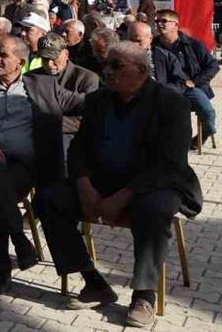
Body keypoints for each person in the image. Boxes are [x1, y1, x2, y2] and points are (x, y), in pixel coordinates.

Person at [33, 42, 202, 328]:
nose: (107, 71)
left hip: (154, 183)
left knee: (154, 209)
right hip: (103, 179)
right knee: (49, 199)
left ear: (142, 71)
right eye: (106, 65)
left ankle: (144, 294)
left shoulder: (171, 103)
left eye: (116, 66)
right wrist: (84, 184)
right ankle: (93, 281)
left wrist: (123, 196)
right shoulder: (99, 100)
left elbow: (169, 164)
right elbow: (78, 149)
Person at [0, 37, 86, 293]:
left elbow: (85, 103)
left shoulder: (43, 86)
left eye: (2, 55)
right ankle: (19, 239)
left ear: (20, 62)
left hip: (27, 168)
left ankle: (2, 268)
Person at [153, 9, 219, 145]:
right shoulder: (152, 46)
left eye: (164, 21)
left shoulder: (193, 45)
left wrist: (195, 81)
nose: (159, 24)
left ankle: (204, 134)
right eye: (157, 21)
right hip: (165, 89)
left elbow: (213, 66)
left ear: (176, 24)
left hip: (189, 87)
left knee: (208, 111)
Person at [31, 33, 100, 132]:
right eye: (45, 59)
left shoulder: (87, 78)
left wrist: (46, 123)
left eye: (53, 58)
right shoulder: (32, 78)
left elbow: (88, 117)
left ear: (66, 54)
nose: (50, 64)